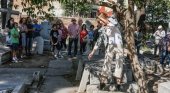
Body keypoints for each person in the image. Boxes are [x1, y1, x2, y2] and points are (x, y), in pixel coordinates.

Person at [88, 13, 124, 88]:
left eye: (100, 20)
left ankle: (118, 84)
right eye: (99, 21)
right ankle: (102, 82)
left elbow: (113, 24)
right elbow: (99, 41)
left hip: (119, 45)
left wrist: (100, 17)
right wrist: (92, 52)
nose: (100, 22)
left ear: (104, 19)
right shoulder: (103, 29)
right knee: (106, 62)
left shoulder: (113, 21)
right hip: (110, 46)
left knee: (119, 63)